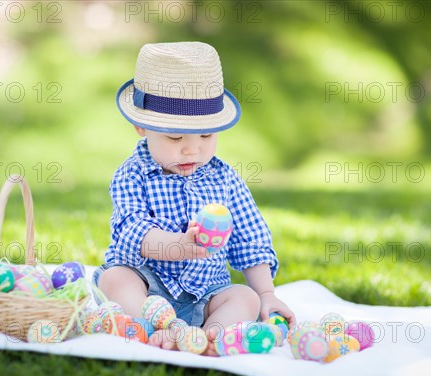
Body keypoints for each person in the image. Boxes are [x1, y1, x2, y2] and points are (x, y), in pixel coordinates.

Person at [93, 42, 295, 356]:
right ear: (140, 126)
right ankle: (157, 327)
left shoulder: (225, 178)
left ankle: (209, 337)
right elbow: (132, 231)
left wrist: (267, 293)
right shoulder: (132, 174)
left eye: (206, 136)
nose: (192, 149)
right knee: (114, 278)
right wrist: (178, 246)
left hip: (207, 293)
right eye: (175, 137)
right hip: (149, 286)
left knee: (246, 299)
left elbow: (250, 239)